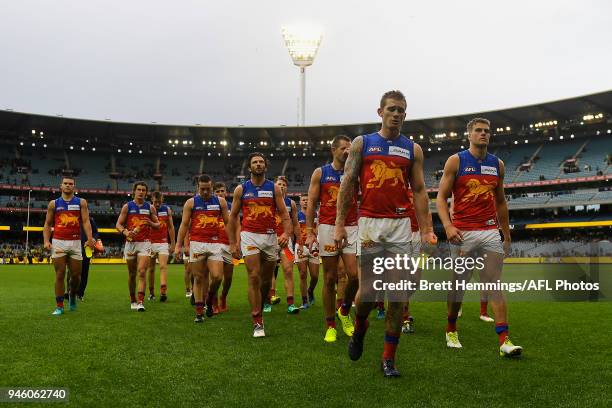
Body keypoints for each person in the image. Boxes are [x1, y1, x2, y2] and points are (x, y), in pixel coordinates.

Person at [335, 90, 436, 377]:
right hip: (369, 223)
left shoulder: (412, 149)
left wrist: (426, 229)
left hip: (400, 227)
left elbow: (418, 190)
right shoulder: (363, 144)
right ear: (380, 112)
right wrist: (341, 224)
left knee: (398, 295)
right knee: (367, 293)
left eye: (401, 110)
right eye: (391, 109)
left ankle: (388, 359)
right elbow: (348, 184)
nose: (397, 114)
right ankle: (360, 329)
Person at [436, 117, 522, 357]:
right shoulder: (457, 161)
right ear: (469, 135)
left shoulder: (498, 165)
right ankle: (451, 328)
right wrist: (448, 225)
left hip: (489, 231)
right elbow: (441, 198)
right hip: (462, 233)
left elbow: (501, 202)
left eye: (487, 131)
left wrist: (505, 235)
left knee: (493, 283)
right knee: (459, 285)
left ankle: (504, 340)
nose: (483, 134)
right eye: (478, 131)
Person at [227, 152, 292, 337]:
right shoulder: (241, 189)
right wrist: (233, 243)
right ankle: (257, 320)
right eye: (254, 162)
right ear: (249, 167)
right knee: (254, 277)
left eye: (261, 162)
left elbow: (284, 213)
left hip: (270, 237)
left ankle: (262, 303)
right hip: (250, 236)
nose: (258, 164)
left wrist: (286, 233)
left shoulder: (273, 188)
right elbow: (232, 217)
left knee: (265, 281)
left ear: (265, 166)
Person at [305, 134, 359, 343]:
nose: (347, 151)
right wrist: (310, 231)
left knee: (354, 276)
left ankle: (344, 311)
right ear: (333, 150)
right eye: (344, 148)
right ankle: (330, 324)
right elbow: (311, 204)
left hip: (352, 225)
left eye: (350, 148)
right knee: (329, 278)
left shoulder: (356, 173)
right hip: (327, 226)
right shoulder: (321, 173)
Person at [175, 175, 230, 323]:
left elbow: (228, 223)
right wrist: (178, 245)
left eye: (208, 189)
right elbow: (184, 225)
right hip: (197, 243)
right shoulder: (191, 203)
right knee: (198, 277)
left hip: (215, 243)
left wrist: (234, 243)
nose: (205, 192)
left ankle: (210, 298)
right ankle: (199, 313)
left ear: (212, 187)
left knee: (218, 277)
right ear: (198, 188)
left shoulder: (221, 202)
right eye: (202, 189)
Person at [43, 176, 95, 315]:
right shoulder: (53, 204)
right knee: (60, 274)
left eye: (70, 184)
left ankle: (72, 295)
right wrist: (46, 241)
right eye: (65, 183)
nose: (68, 185)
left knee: (76, 276)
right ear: (61, 186)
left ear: (74, 186)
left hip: (75, 242)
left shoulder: (81, 202)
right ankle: (59, 306)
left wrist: (90, 239)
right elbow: (48, 224)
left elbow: (85, 222)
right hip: (58, 242)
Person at [115, 181, 160, 312]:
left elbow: (158, 225)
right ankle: (132, 299)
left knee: (141, 272)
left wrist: (151, 223)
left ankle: (140, 301)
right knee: (132, 274)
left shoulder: (150, 207)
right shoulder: (127, 207)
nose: (141, 192)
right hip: (130, 243)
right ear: (134, 191)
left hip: (145, 243)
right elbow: (118, 224)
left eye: (143, 190)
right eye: (139, 189)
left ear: (146, 192)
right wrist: (125, 232)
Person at [268, 176, 301, 314]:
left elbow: (295, 223)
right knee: (269, 272)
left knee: (288, 270)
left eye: (283, 185)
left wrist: (299, 241)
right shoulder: (268, 200)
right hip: (270, 239)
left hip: (286, 241)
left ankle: (290, 303)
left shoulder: (291, 203)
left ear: (286, 188)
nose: (281, 186)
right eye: (279, 184)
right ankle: (268, 300)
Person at [147, 191, 176, 302]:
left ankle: (163, 291)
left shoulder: (167, 210)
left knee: (163, 266)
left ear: (162, 200)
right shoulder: (148, 210)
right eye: (155, 202)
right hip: (149, 243)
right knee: (151, 269)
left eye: (159, 202)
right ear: (152, 200)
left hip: (163, 242)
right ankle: (151, 292)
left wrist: (173, 243)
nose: (157, 204)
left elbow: (171, 227)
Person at [214, 182, 235, 313]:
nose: (220, 193)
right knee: (216, 277)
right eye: (217, 192)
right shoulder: (210, 206)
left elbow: (237, 225)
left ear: (226, 192)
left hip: (229, 244)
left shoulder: (232, 206)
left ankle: (223, 297)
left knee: (228, 278)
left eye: (222, 191)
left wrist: (237, 242)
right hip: (215, 244)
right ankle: (214, 303)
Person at [295, 194, 319, 310]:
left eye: (307, 200)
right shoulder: (296, 215)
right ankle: (304, 301)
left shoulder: (316, 214)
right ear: (300, 202)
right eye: (303, 200)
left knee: (315, 276)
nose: (305, 201)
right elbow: (295, 230)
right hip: (301, 246)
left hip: (314, 246)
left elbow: (318, 229)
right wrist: (298, 243)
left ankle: (310, 290)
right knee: (303, 274)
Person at [76, 215, 100, 300]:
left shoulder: (90, 220)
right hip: (74, 248)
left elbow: (96, 232)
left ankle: (80, 294)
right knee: (72, 271)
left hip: (86, 249)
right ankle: (70, 292)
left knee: (84, 272)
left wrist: (93, 239)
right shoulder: (73, 217)